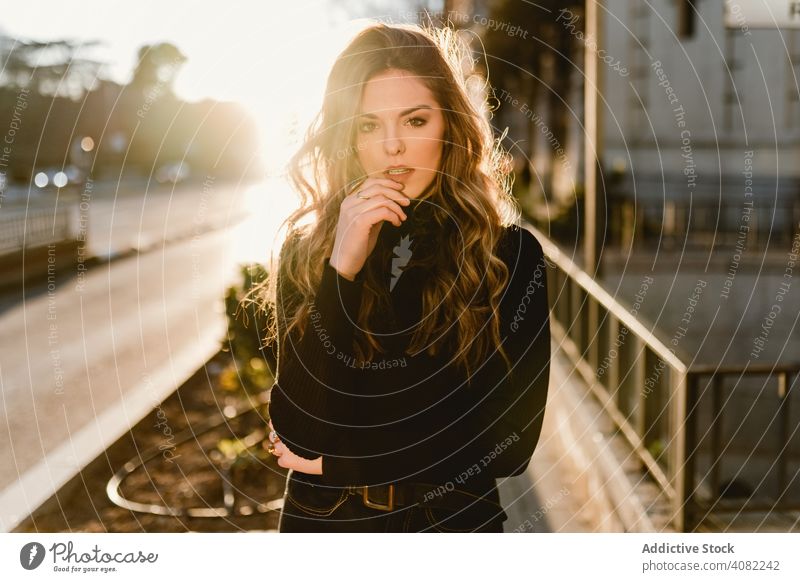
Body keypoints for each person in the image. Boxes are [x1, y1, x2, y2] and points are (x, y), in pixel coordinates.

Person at [260, 22, 551, 533]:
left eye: (415, 120)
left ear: (449, 126)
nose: (393, 146)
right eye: (368, 125)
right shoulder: (305, 257)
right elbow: (302, 433)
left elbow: (508, 447)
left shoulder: (508, 256)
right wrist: (342, 271)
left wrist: (342, 463)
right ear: (348, 138)